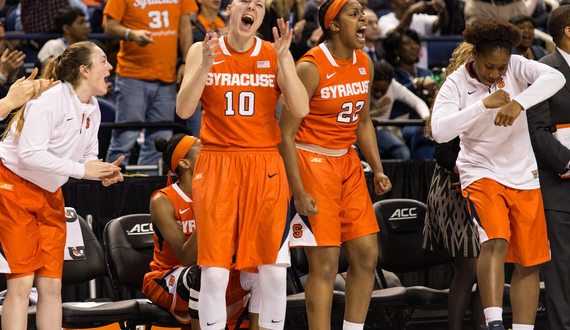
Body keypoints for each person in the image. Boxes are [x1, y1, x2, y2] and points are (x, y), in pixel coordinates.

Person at [176, 0, 310, 325]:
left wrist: (284, 60)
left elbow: (301, 108)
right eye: (246, 1)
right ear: (230, 8)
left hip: (264, 164)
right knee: (215, 272)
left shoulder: (274, 52)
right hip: (217, 162)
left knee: (275, 275)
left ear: (262, 14)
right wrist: (205, 66)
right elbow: (183, 110)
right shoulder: (202, 49)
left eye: (260, 4)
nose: (252, 7)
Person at [431, 18, 565, 330]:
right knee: (495, 238)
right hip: (481, 170)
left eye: (500, 68)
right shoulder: (455, 83)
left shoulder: (517, 66)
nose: (495, 73)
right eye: (489, 66)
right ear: (474, 54)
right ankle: (493, 322)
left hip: (523, 172)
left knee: (530, 260)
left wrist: (518, 102)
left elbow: (555, 78)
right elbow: (439, 131)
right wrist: (482, 106)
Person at [279, 0, 392, 329]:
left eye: (363, 13)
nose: (363, 19)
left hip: (348, 162)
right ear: (333, 25)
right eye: (354, 14)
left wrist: (378, 168)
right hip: (312, 160)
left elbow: (364, 122)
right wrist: (298, 191)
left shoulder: (365, 62)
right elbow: (284, 135)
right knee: (325, 266)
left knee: (367, 256)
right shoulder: (310, 67)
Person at [0, 41, 124, 330]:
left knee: (52, 287)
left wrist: (102, 171)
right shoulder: (51, 99)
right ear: (84, 70)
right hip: (12, 186)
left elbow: (86, 157)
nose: (110, 67)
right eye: (103, 61)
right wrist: (82, 170)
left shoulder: (93, 108)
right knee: (21, 285)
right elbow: (30, 154)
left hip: (50, 192)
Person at [144, 134, 261, 330]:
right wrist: (209, 213)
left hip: (217, 269)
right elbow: (187, 258)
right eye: (205, 150)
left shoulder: (225, 191)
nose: (213, 154)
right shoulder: (163, 200)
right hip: (168, 277)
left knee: (262, 271)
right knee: (200, 273)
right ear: (184, 163)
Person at [422, 41, 484, 330]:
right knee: (470, 268)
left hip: (485, 188)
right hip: (453, 190)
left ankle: (485, 324)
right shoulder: (451, 93)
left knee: (487, 268)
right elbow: (443, 153)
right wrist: (468, 170)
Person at [103, 0, 194, 171]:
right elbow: (109, 26)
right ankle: (111, 188)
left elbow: (185, 28)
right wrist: (132, 34)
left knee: (159, 141)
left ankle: (148, 187)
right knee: (125, 137)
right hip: (133, 76)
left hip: (167, 78)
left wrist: (186, 61)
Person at [526, 6, 570, 330]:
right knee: (562, 274)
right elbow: (536, 131)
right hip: (558, 187)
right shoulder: (541, 71)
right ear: (568, 31)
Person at [384, 27, 436, 159]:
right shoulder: (391, 74)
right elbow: (391, 94)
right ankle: (422, 175)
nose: (414, 47)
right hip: (399, 123)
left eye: (416, 43)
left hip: (426, 119)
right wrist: (417, 83)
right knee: (423, 133)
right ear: (396, 49)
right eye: (407, 43)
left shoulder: (426, 73)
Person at [369, 59, 429, 159]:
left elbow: (418, 103)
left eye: (383, 91)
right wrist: (366, 120)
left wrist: (426, 117)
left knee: (403, 153)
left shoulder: (394, 86)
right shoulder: (361, 84)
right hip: (358, 131)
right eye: (375, 89)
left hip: (379, 131)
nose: (378, 94)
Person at [378, 0, 448, 69]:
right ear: (392, 3)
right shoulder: (385, 20)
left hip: (422, 71)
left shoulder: (421, 18)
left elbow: (441, 23)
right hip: (398, 72)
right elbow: (394, 37)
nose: (407, 1)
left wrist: (441, 9)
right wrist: (410, 12)